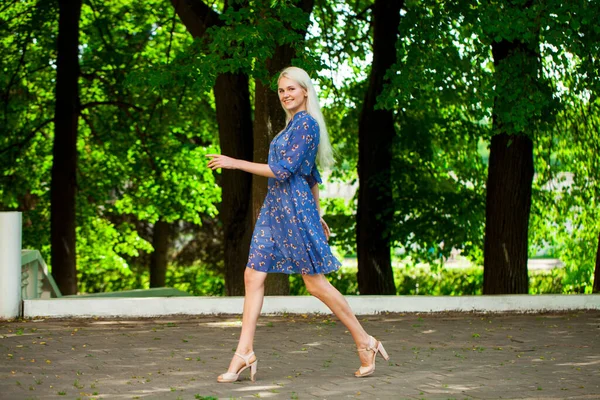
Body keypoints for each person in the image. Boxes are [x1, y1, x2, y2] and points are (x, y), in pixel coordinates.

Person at [206, 66, 389, 383]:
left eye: (291, 88)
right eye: (281, 90)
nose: (285, 94)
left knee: (315, 284)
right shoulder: (290, 127)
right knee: (253, 275)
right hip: (275, 209)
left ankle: (365, 341)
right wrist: (319, 213)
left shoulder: (307, 124)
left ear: (305, 91)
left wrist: (234, 162)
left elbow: (283, 171)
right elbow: (312, 176)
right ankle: (244, 352)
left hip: (292, 209)